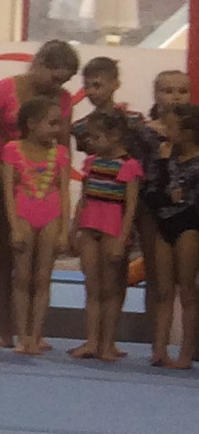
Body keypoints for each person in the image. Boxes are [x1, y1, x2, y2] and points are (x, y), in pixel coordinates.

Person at [0, 40, 81, 342]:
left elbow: (63, 144)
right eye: (55, 78)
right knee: (6, 255)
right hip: (7, 179)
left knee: (41, 264)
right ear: (38, 64)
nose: (58, 85)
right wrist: (1, 172)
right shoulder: (3, 90)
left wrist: (58, 185)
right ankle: (5, 328)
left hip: (41, 187)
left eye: (64, 81)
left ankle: (33, 332)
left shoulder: (63, 99)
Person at [0, 95, 71, 355]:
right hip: (23, 214)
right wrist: (14, 226)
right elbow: (7, 190)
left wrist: (64, 230)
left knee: (42, 279)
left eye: (59, 123)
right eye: (52, 123)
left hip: (51, 215)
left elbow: (64, 192)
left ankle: (37, 335)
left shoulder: (60, 153)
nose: (57, 129)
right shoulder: (12, 149)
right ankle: (22, 335)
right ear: (31, 124)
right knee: (22, 277)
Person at [69, 109, 143, 365]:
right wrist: (74, 230)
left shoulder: (129, 166)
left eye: (96, 137)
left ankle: (108, 343)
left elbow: (130, 206)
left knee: (110, 290)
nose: (90, 143)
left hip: (113, 228)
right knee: (92, 287)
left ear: (115, 136)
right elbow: (83, 198)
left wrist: (123, 238)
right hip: (90, 226)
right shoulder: (92, 162)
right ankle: (91, 341)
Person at [146, 103, 199, 371]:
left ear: (188, 132)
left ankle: (186, 354)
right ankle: (159, 350)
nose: (164, 131)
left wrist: (175, 199)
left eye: (170, 127)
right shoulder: (164, 157)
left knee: (187, 291)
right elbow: (151, 194)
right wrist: (165, 163)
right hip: (164, 224)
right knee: (163, 291)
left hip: (189, 227)